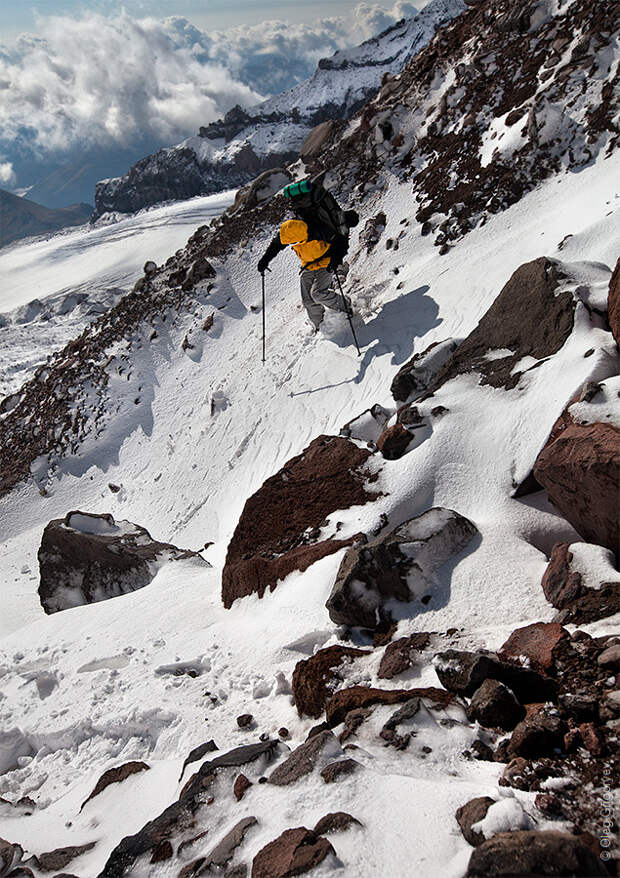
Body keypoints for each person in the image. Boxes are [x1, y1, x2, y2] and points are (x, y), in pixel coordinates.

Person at [257, 207, 359, 333]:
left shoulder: (315, 229)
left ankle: (345, 307)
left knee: (318, 293)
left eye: (298, 241)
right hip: (308, 265)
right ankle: (320, 325)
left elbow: (340, 239)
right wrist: (264, 261)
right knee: (307, 300)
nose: (295, 243)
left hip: (326, 262)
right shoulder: (288, 232)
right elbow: (276, 245)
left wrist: (337, 258)